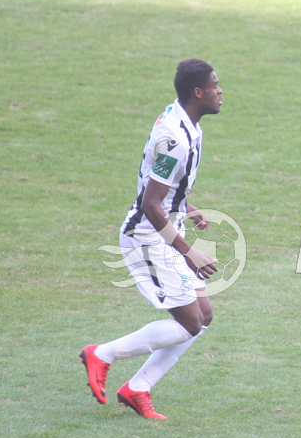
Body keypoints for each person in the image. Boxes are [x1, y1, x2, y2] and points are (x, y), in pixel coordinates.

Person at [80, 59, 223, 419]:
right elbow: (150, 204)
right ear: (198, 92)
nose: (220, 91)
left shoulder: (185, 120)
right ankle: (102, 354)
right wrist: (189, 251)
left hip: (166, 226)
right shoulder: (175, 138)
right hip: (147, 237)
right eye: (215, 85)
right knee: (189, 323)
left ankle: (137, 389)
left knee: (203, 316)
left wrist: (186, 206)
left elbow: (161, 185)